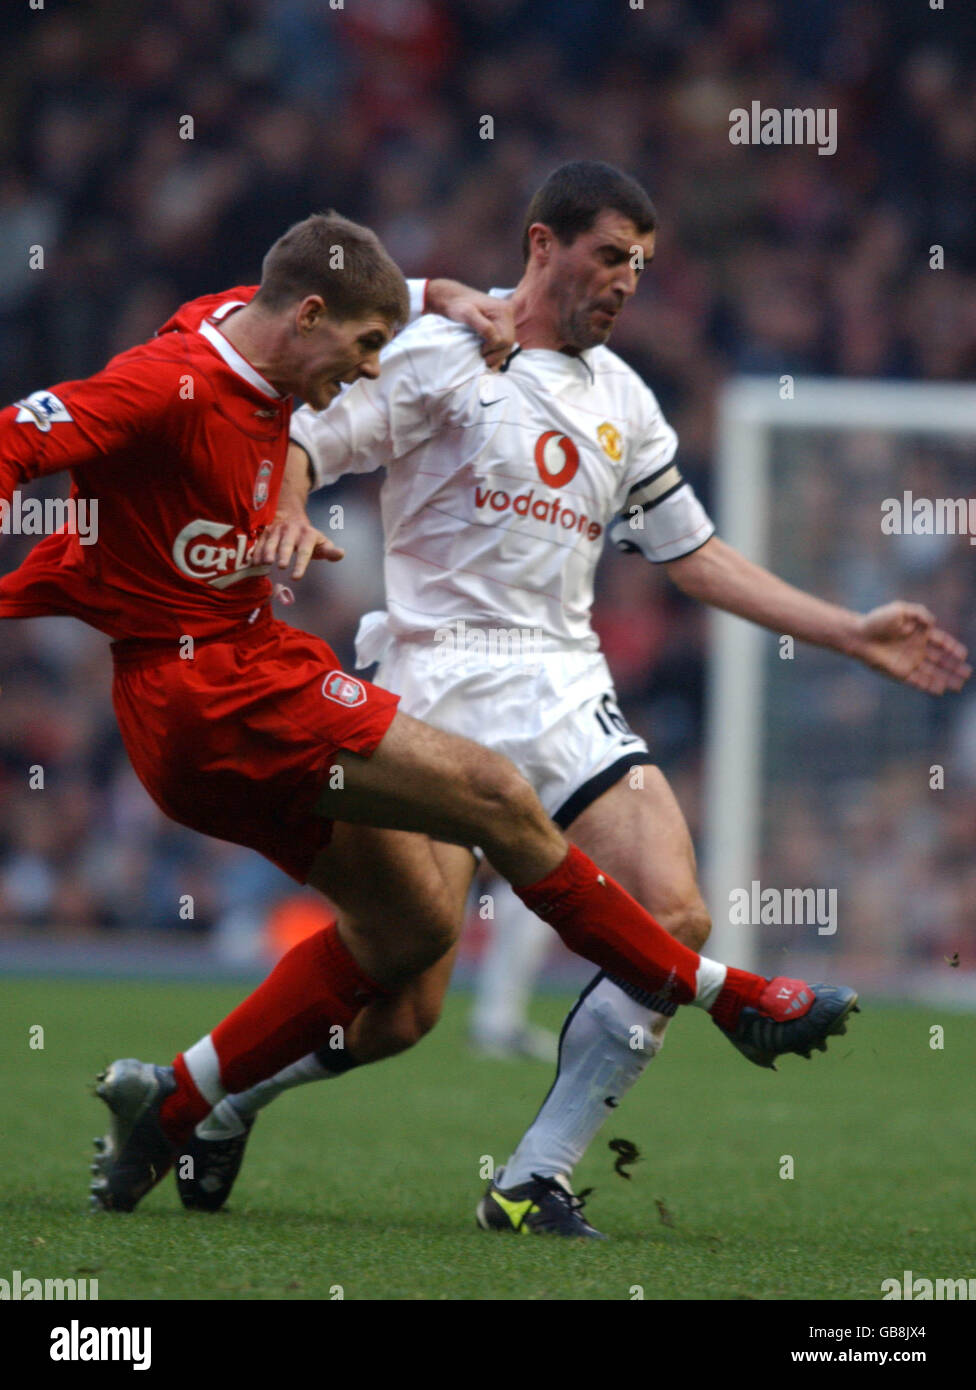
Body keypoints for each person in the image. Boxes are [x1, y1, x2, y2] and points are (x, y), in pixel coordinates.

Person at [0, 208, 857, 1218]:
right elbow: (16, 438)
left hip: (288, 671)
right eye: (365, 348)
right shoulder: (173, 383)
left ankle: (184, 1103)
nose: (369, 368)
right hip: (219, 690)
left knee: (405, 952)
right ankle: (730, 997)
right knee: (496, 797)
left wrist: (433, 290)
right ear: (544, 242)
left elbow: (333, 304)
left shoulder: (245, 318)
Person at [173, 163, 969, 1237]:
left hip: (558, 679)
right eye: (608, 256)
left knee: (673, 911)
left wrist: (847, 631)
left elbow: (695, 555)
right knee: (404, 1000)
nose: (626, 281)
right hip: (431, 674)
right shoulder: (442, 355)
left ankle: (530, 1177)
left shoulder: (626, 403)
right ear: (542, 243)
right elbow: (306, 443)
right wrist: (282, 512)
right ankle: (225, 1102)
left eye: (641, 264)